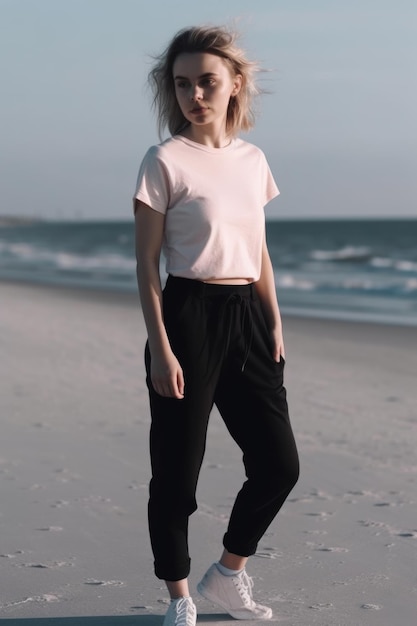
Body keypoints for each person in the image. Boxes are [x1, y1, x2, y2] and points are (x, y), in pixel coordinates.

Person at [133, 25, 299, 626]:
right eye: (182, 84)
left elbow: (257, 249)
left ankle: (228, 575)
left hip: (249, 319)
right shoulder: (164, 161)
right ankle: (180, 597)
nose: (194, 94)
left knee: (279, 465)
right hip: (187, 316)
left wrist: (274, 321)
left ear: (235, 85)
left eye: (207, 81)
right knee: (177, 469)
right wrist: (160, 346)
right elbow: (146, 264)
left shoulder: (253, 161)